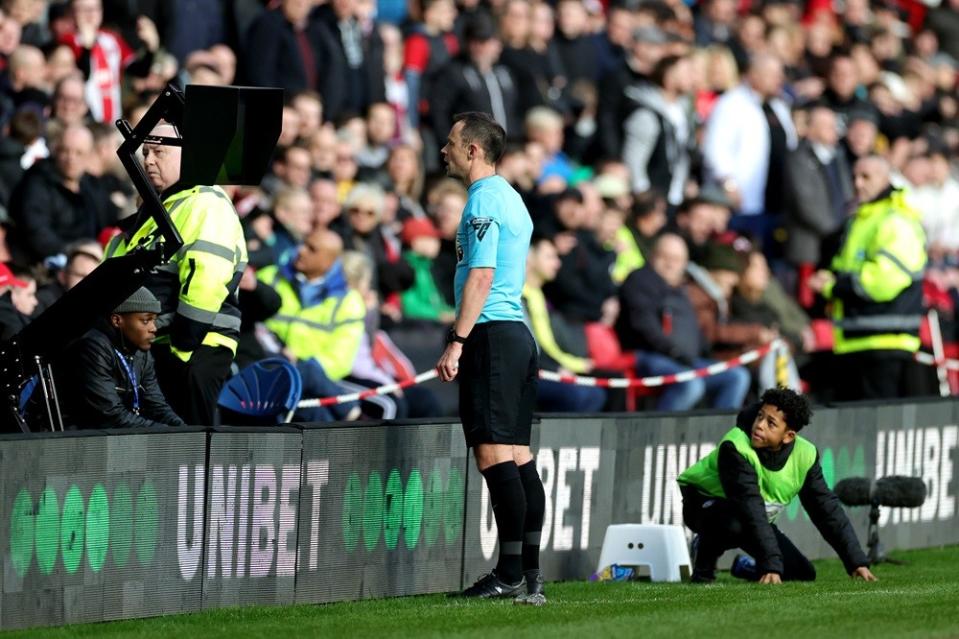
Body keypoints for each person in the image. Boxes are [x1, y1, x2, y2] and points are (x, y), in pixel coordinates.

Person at [434, 112, 544, 604]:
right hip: (517, 333)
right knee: (519, 457)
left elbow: (481, 275)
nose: (444, 149)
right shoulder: (512, 196)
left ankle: (509, 573)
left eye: (452, 142)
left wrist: (458, 340)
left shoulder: (483, 200)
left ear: (473, 150)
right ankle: (529, 572)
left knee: (493, 454)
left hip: (493, 335)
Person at [104, 122, 247, 426]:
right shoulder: (150, 213)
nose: (149, 160)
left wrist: (182, 349)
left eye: (159, 151)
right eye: (145, 152)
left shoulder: (206, 202)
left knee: (191, 456)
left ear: (188, 155)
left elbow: (206, 279)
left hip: (195, 347)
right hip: (152, 349)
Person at [677, 388, 877, 584]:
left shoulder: (805, 455)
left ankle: (745, 568)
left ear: (788, 436)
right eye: (760, 416)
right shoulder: (735, 445)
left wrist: (856, 562)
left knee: (801, 574)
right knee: (733, 524)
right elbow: (750, 505)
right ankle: (703, 568)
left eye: (770, 423)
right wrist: (771, 565)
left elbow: (826, 510)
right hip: (703, 504)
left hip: (750, 516)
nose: (760, 425)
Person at [808, 155, 927, 401]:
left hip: (885, 343)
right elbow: (849, 267)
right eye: (854, 177)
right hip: (856, 342)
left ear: (886, 178)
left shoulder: (896, 219)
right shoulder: (860, 218)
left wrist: (833, 286)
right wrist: (829, 276)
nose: (858, 183)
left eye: (866, 177)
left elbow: (884, 280)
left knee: (879, 431)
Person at [257, 228, 363, 423]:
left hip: (312, 381)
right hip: (266, 365)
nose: (301, 251)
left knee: (314, 410)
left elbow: (340, 360)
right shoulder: (269, 277)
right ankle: (352, 413)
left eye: (312, 249)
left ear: (330, 261)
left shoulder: (348, 300)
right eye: (303, 244)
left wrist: (301, 363)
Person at [56, 287, 186, 429]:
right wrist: (166, 432)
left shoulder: (140, 350)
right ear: (117, 320)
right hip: (78, 438)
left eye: (154, 320)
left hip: (114, 437)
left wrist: (184, 430)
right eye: (145, 320)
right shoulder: (93, 347)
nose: (154, 328)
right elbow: (110, 415)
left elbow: (156, 405)